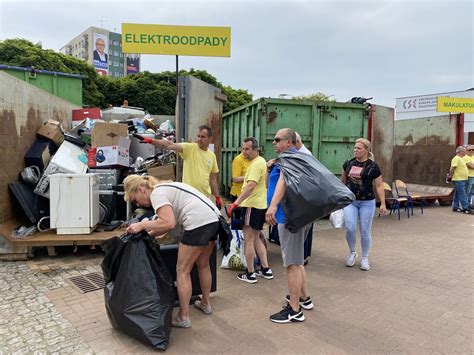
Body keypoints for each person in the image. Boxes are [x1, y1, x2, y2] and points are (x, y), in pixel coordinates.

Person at [124, 175, 220, 328]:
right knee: (203, 264)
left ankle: (183, 317)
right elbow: (166, 224)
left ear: (141, 190)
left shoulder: (156, 194)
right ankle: (206, 304)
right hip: (213, 220)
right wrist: (149, 236)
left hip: (197, 223)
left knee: (182, 271)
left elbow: (168, 223)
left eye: (135, 199)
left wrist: (141, 226)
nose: (137, 204)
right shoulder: (166, 188)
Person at [266, 128, 313, 324]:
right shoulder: (296, 157)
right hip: (298, 216)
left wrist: (273, 206)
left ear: (289, 142)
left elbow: (284, 182)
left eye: (278, 139)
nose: (274, 143)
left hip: (289, 217)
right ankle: (304, 298)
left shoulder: (290, 159)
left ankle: (294, 309)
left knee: (292, 264)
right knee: (298, 260)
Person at [140, 125, 222, 209]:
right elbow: (169, 145)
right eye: (198, 136)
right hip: (189, 195)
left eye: (203, 137)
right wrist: (150, 140)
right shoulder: (190, 148)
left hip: (205, 197)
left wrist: (217, 197)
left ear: (210, 139)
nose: (199, 139)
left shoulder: (212, 155)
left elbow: (213, 179)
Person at [227, 137, 272, 283]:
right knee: (257, 237)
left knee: (248, 240)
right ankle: (266, 269)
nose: (243, 151)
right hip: (259, 205)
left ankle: (250, 273)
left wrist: (236, 203)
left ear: (255, 149)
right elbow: (264, 183)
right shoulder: (262, 162)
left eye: (246, 149)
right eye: (243, 148)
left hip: (251, 206)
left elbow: (250, 186)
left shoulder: (255, 165)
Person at [341, 138, 386, 271]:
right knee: (350, 228)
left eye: (359, 148)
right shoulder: (348, 163)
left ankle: (365, 258)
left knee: (365, 231)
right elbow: (342, 182)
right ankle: (352, 252)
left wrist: (383, 203)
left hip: (367, 202)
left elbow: (379, 186)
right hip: (351, 201)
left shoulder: (373, 166)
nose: (355, 150)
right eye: (355, 148)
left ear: (367, 150)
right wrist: (338, 197)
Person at [295, 132, 313, 265]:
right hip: (304, 197)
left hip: (304, 197)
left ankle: (302, 257)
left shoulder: (304, 155)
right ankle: (302, 255)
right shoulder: (301, 153)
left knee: (304, 229)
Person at [450, 146, 470, 214]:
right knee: (463, 194)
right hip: (458, 179)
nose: (465, 153)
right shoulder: (456, 159)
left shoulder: (461, 158)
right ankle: (466, 208)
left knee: (458, 193)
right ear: (461, 152)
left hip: (462, 179)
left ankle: (456, 207)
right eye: (464, 151)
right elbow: (452, 168)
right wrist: (450, 176)